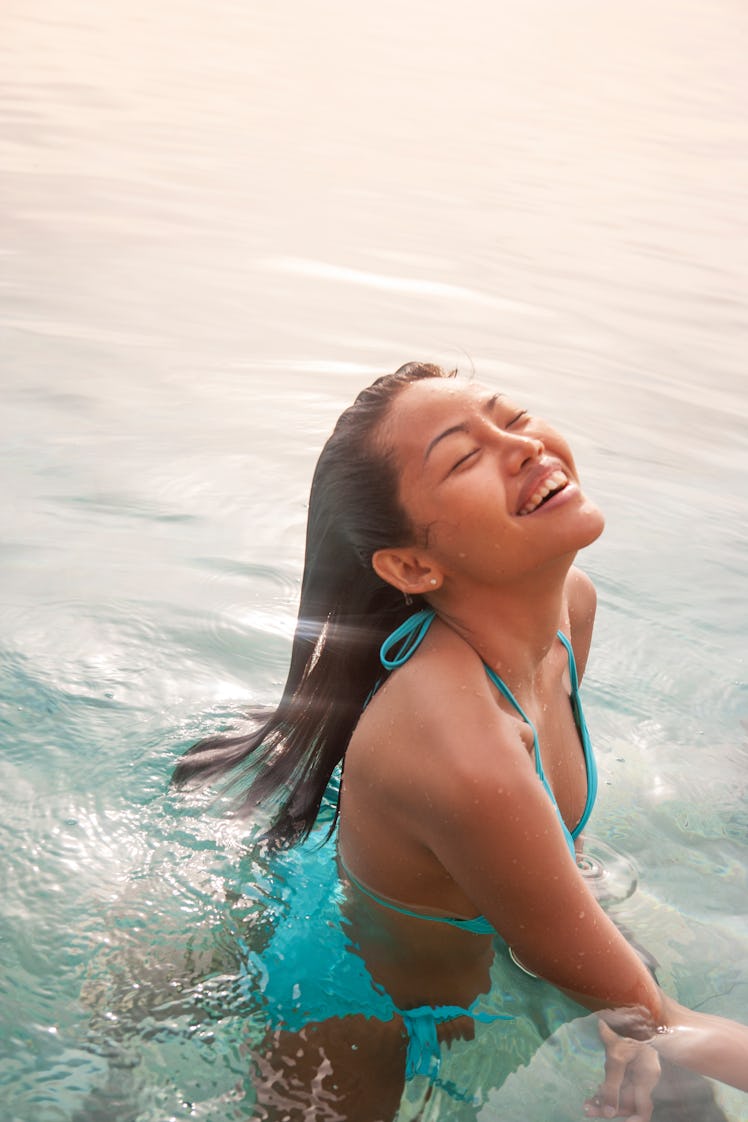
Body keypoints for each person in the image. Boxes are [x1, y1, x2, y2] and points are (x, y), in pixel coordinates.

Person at [173, 363, 748, 1121]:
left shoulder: (569, 610)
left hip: (473, 926)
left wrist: (619, 1002)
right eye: (465, 456)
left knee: (682, 1098)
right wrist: (631, 1013)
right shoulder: (461, 750)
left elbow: (550, 862)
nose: (521, 446)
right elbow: (659, 1017)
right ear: (413, 565)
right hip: (354, 998)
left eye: (512, 417)